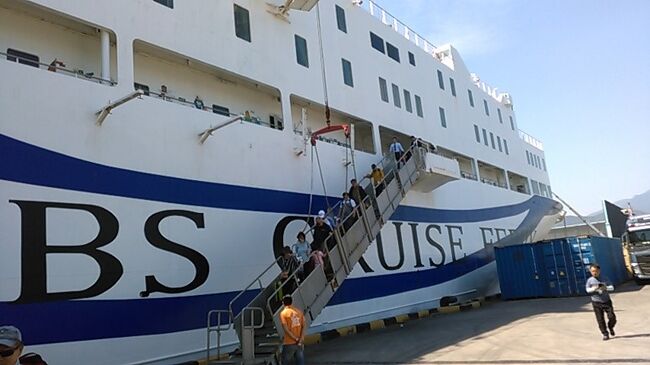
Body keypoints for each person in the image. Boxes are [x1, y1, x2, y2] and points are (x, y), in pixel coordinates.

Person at [585, 264, 617, 341]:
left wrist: (605, 287)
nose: (594, 273)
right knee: (600, 319)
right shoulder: (590, 280)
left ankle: (610, 326)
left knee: (612, 317)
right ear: (590, 271)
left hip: (606, 301)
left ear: (599, 271)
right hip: (596, 302)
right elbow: (587, 290)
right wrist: (594, 288)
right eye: (592, 271)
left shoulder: (604, 278)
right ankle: (605, 334)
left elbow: (612, 287)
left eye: (596, 271)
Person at [280, 295, 305, 365]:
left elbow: (286, 330)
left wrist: (295, 339)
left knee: (285, 361)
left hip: (289, 342)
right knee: (300, 361)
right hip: (299, 342)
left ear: (283, 303)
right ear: (292, 302)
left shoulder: (283, 313)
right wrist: (300, 339)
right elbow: (303, 326)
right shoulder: (299, 312)